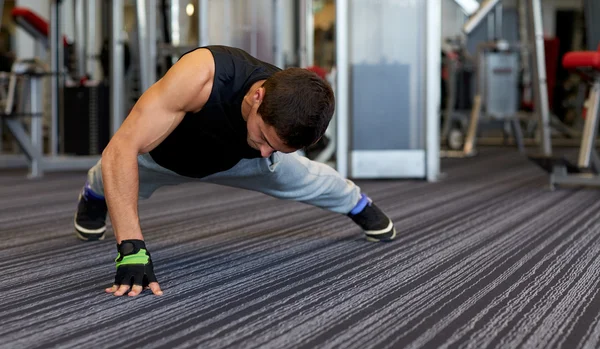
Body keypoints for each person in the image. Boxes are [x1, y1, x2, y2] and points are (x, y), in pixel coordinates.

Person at [73, 45, 396, 298]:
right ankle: (93, 195)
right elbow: (122, 147)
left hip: (238, 161)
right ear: (258, 97)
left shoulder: (285, 111)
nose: (267, 152)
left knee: (308, 177)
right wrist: (131, 249)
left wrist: (270, 149)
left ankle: (359, 205)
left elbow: (273, 151)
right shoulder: (201, 75)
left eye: (278, 148)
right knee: (110, 170)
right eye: (267, 139)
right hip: (165, 158)